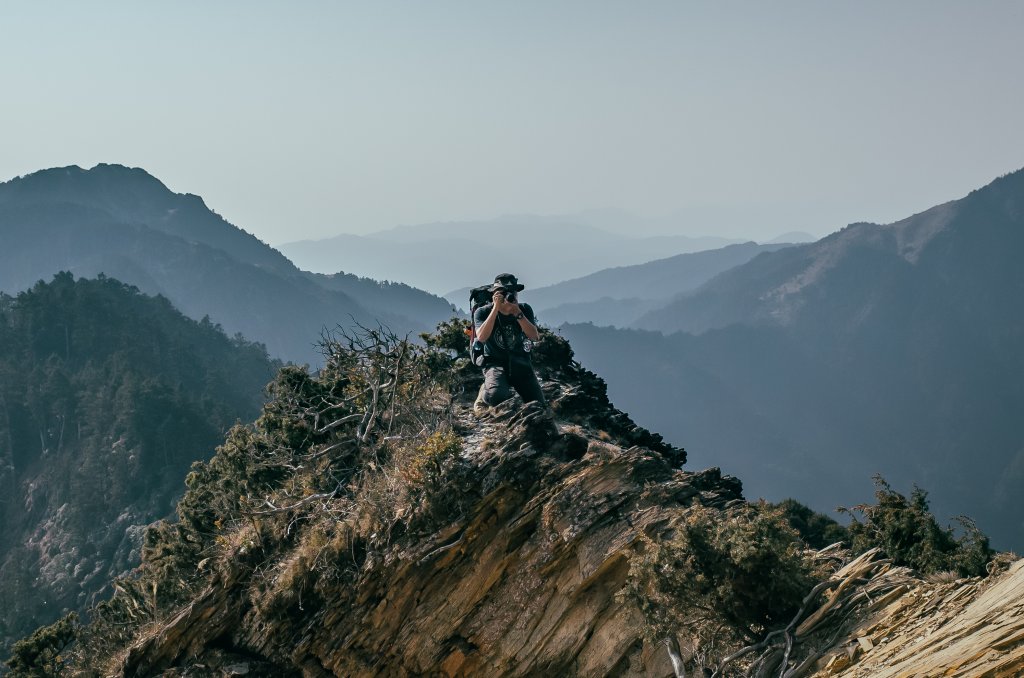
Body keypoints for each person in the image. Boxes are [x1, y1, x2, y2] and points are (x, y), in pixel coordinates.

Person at [473, 273, 545, 409]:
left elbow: (534, 336)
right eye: (504, 292)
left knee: (539, 406)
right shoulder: (483, 312)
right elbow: (482, 337)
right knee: (496, 398)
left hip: (520, 362)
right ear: (494, 294)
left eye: (513, 292)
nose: (510, 296)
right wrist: (495, 309)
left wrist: (517, 313)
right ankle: (484, 391)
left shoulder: (524, 309)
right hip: (495, 363)